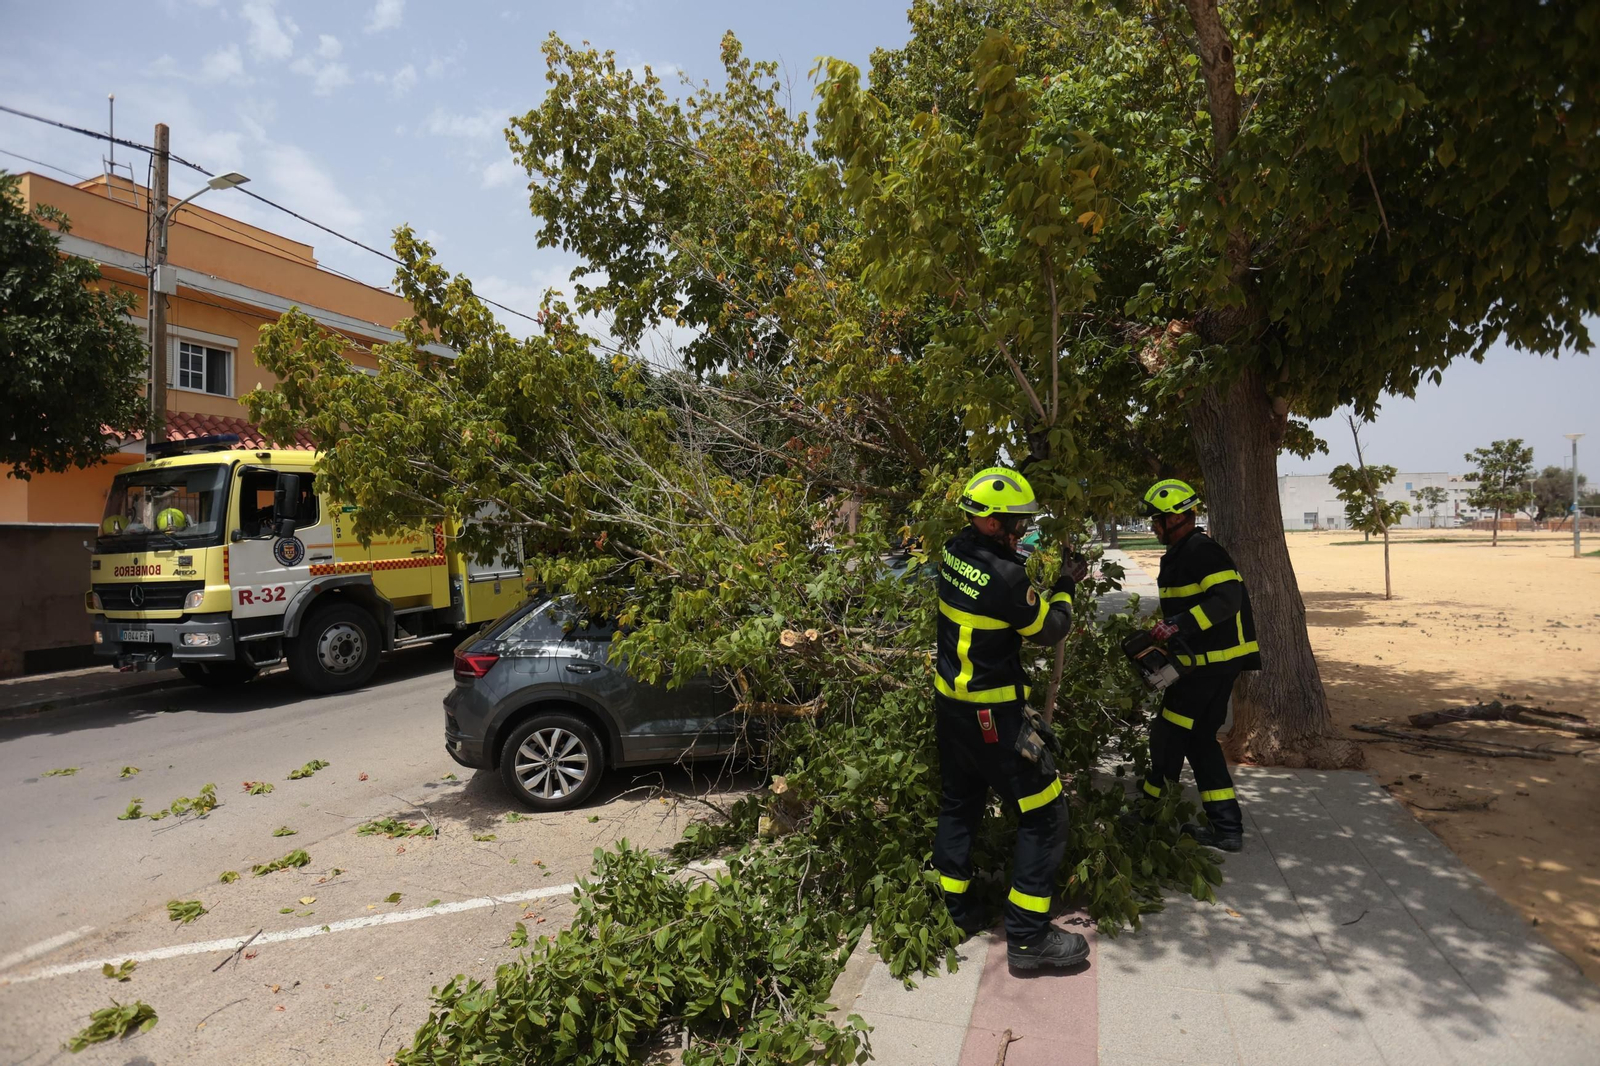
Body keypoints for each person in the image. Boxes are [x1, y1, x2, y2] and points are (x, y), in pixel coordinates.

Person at [933, 466, 1091, 970]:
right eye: (1016, 523)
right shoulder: (1006, 577)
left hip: (951, 711)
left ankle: (954, 913)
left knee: (960, 803)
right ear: (992, 521)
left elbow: (997, 598)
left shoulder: (954, 552)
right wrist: (1065, 584)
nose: (1021, 531)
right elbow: (1050, 628)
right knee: (1045, 814)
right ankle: (1027, 936)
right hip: (991, 718)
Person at [1139, 478, 1259, 851]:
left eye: (1157, 519)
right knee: (1199, 739)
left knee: (1167, 735)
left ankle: (1150, 814)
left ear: (1175, 518)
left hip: (1207, 668)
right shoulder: (1183, 552)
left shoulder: (1202, 551)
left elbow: (1227, 600)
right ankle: (1226, 828)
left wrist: (1178, 624)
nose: (1153, 526)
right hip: (1205, 665)